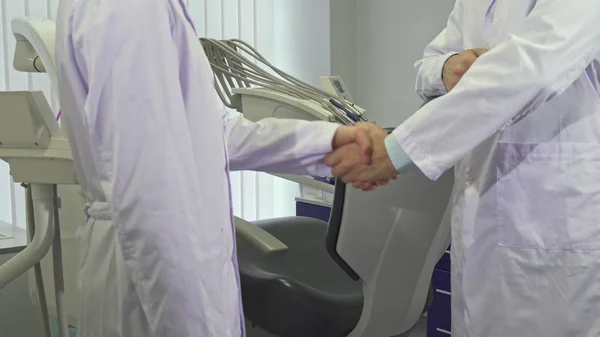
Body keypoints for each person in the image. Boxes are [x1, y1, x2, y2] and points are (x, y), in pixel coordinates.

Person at [54, 0, 377, 336]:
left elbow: (210, 131)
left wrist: (328, 143)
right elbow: (148, 192)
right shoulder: (130, 8)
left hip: (157, 266)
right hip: (148, 282)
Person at [327, 0, 600, 336]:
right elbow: (427, 66)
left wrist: (397, 151)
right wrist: (446, 68)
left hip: (553, 217)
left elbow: (532, 70)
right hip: (480, 211)